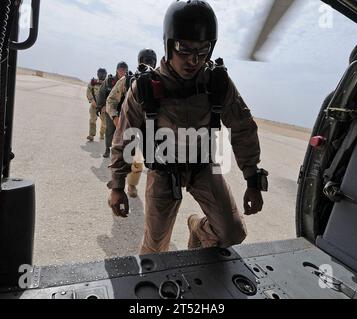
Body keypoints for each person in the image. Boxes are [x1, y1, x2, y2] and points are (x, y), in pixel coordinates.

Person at [109, 0, 266, 255]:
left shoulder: (217, 82)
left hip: (202, 167)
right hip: (162, 171)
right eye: (184, 48)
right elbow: (124, 137)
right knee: (155, 249)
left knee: (232, 232)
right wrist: (117, 186)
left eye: (203, 51)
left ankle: (197, 228)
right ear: (169, 44)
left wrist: (252, 177)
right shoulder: (145, 87)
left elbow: (243, 127)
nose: (194, 59)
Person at [106, 49, 158, 198]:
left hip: (147, 130)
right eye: (145, 60)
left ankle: (132, 185)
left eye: (151, 60)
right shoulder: (128, 80)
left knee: (138, 161)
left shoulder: (158, 80)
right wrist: (116, 118)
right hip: (127, 126)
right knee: (122, 156)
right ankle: (117, 188)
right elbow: (111, 100)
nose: (148, 63)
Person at [97, 62, 128, 158]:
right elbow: (101, 93)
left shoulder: (128, 81)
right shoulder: (110, 81)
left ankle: (120, 151)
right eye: (120, 69)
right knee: (110, 129)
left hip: (124, 110)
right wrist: (101, 106)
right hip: (110, 108)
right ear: (117, 70)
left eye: (124, 69)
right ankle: (107, 148)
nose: (122, 71)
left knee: (123, 131)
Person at [86, 68, 107, 142]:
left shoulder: (108, 83)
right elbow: (88, 91)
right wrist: (92, 100)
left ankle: (102, 134)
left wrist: (106, 106)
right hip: (94, 105)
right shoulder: (93, 82)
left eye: (103, 74)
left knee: (104, 123)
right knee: (92, 120)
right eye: (100, 73)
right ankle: (91, 135)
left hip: (104, 107)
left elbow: (111, 95)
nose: (102, 75)